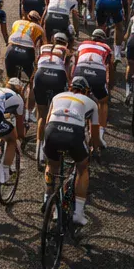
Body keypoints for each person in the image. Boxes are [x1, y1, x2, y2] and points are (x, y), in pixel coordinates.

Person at [42, 76, 99, 227]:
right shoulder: (91, 103)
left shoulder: (57, 96)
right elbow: (94, 134)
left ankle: (47, 198)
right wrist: (94, 148)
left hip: (52, 131)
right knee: (82, 168)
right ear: (86, 91)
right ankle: (78, 214)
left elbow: (47, 121)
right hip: (74, 135)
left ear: (70, 87)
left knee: (52, 164)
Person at [73, 30, 114, 147]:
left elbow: (75, 63)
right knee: (103, 101)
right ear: (103, 39)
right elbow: (110, 68)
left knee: (77, 97)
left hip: (80, 70)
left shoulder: (83, 44)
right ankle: (100, 134)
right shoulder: (106, 47)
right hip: (97, 73)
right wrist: (110, 84)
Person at [31, 34, 71, 153]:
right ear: (66, 43)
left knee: (42, 115)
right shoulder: (66, 51)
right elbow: (68, 73)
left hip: (41, 74)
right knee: (58, 110)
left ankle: (39, 148)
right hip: (57, 77)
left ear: (53, 40)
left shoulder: (44, 47)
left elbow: (36, 62)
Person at [3, 11, 43, 84]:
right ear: (38, 21)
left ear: (27, 17)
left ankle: (8, 86)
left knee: (9, 79)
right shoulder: (39, 28)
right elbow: (42, 46)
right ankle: (31, 90)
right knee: (32, 79)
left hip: (12, 49)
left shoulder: (17, 23)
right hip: (27, 52)